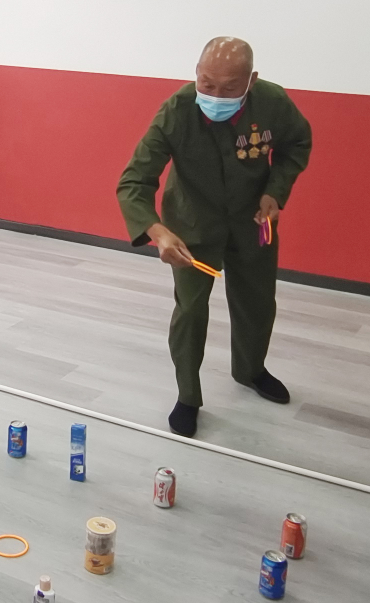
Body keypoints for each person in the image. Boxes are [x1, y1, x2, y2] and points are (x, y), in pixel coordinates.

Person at [117, 38, 313, 437]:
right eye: (207, 84)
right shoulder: (176, 111)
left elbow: (297, 144)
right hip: (191, 228)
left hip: (254, 221)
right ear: (196, 73)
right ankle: (188, 395)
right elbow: (133, 182)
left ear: (251, 81)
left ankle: (251, 370)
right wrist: (158, 232)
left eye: (229, 88)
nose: (216, 96)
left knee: (257, 303)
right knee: (190, 311)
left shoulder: (273, 102)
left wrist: (275, 191)